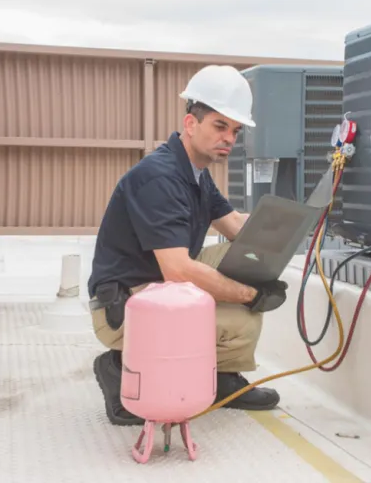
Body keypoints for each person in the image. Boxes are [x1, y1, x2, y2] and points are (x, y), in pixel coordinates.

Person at [87, 64, 289, 426]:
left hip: (158, 288)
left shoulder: (195, 174)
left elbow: (235, 229)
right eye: (219, 125)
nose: (229, 138)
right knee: (241, 319)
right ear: (191, 123)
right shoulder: (158, 177)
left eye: (235, 130)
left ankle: (221, 378)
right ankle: (118, 365)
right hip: (125, 306)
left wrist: (289, 230)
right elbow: (177, 269)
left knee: (245, 260)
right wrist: (249, 294)